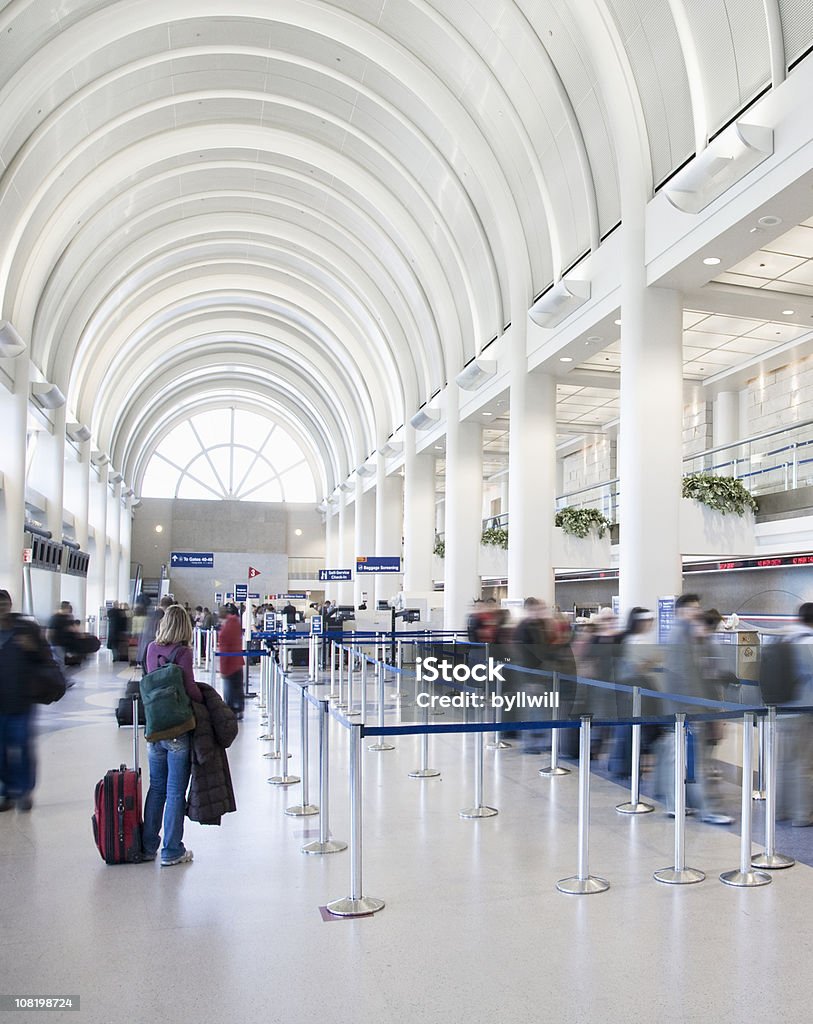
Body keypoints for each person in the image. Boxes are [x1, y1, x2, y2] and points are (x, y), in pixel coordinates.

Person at [142, 605, 202, 866]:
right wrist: (205, 700)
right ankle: (171, 849)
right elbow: (189, 688)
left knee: (156, 788)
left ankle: (147, 846)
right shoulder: (184, 652)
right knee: (176, 791)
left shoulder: (152, 649)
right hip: (177, 729)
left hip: (154, 728)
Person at [0, 590, 50, 811]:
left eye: (4, 604)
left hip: (21, 700)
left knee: (21, 746)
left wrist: (33, 648)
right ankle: (6, 791)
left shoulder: (26, 628)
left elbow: (46, 658)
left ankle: (23, 791)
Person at [217, 604, 245, 719]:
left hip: (229, 666)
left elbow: (224, 653)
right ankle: (239, 709)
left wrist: (222, 670)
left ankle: (231, 712)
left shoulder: (224, 631)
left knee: (229, 691)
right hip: (238, 661)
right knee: (238, 688)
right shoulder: (236, 623)